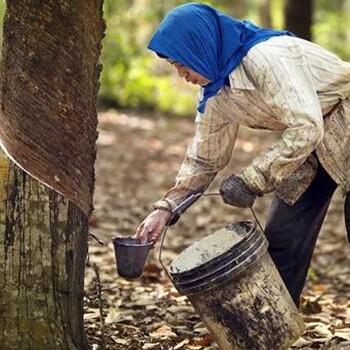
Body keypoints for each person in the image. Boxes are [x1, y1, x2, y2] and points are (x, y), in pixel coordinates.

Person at [135, 2, 350, 307]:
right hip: (309, 147)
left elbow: (305, 127)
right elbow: (204, 158)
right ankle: (274, 329)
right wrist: (166, 209)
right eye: (173, 65)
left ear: (201, 47)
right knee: (281, 241)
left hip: (342, 118)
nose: (180, 73)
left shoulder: (266, 58)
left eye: (182, 62)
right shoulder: (215, 92)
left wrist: (252, 180)